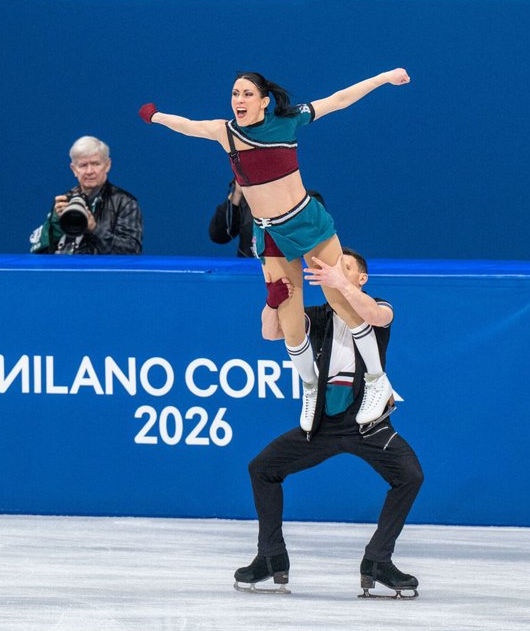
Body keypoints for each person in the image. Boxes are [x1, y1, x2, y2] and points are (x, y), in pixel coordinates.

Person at [140, 69, 410, 432]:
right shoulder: (226, 132)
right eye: (235, 93)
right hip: (272, 237)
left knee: (339, 302)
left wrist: (385, 78)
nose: (239, 100)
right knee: (289, 319)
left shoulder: (288, 121)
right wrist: (156, 116)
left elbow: (340, 98)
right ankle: (310, 386)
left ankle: (378, 381)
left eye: (247, 94)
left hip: (308, 224)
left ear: (264, 101)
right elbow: (188, 125)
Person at [234, 248, 424, 598]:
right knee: (262, 468)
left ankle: (377, 561)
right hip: (321, 424)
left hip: (366, 423)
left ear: (361, 278)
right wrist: (273, 302)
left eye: (346, 267)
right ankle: (271, 557)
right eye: (337, 266)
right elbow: (271, 333)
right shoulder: (319, 315)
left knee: (410, 476)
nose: (338, 270)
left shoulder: (377, 306)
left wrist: (341, 286)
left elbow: (377, 317)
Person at [29, 136, 143, 255]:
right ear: (74, 169)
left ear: (107, 165)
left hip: (103, 272)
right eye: (83, 165)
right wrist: (55, 226)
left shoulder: (124, 203)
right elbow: (40, 254)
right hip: (66, 270)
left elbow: (132, 252)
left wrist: (95, 228)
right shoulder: (64, 201)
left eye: (95, 164)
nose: (89, 171)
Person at [209, 181, 324, 258]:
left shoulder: (308, 200)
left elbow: (311, 235)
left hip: (290, 276)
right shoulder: (247, 199)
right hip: (249, 276)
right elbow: (219, 236)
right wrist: (237, 194)